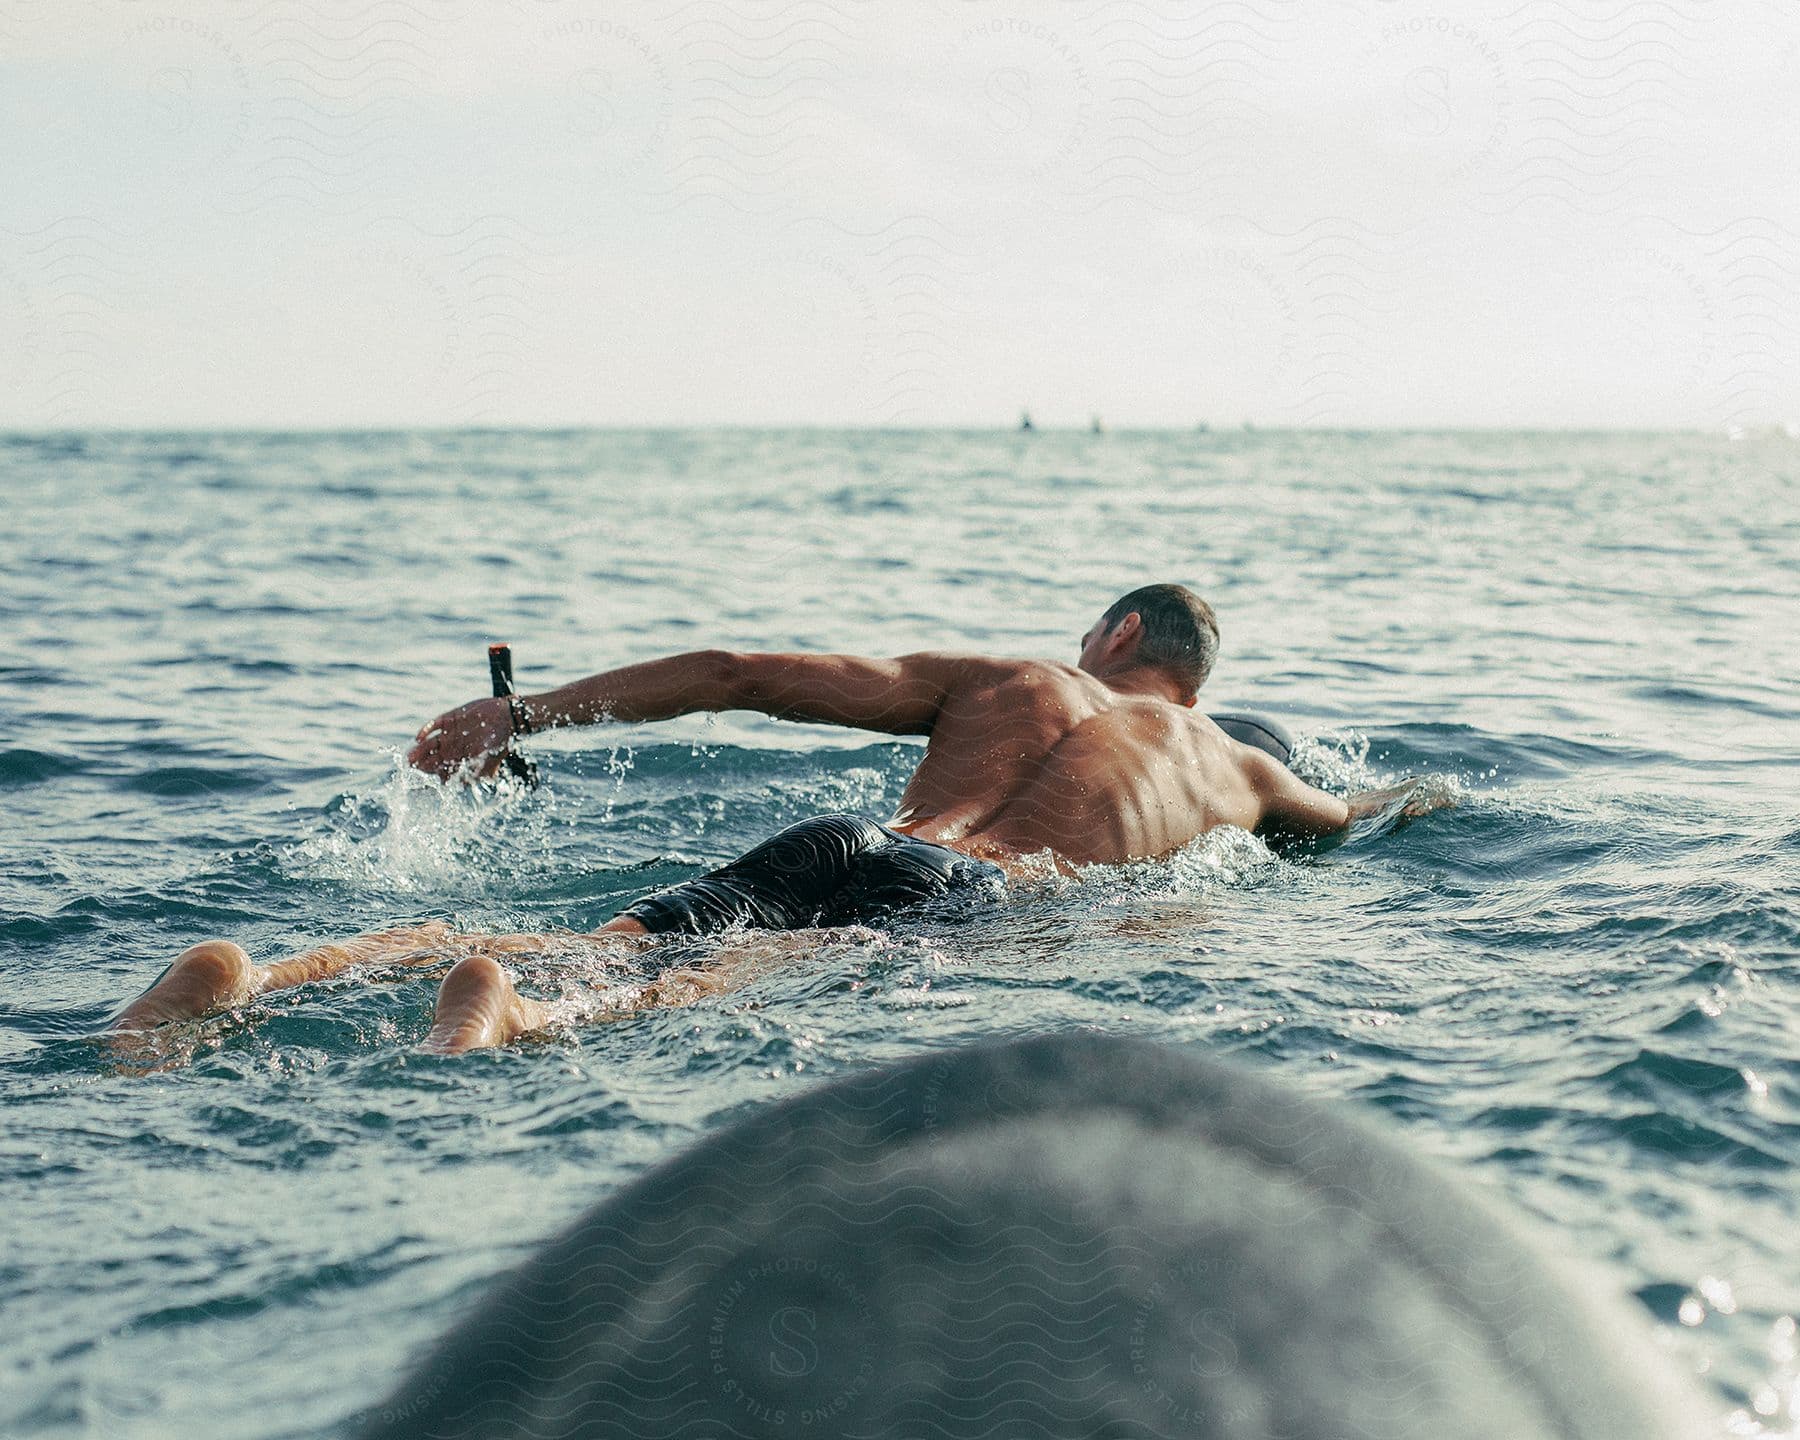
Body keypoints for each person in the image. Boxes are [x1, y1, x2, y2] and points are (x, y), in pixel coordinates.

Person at [109, 584, 1439, 1057]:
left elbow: (741, 675)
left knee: (595, 933)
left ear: (1118, 633)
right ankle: (517, 1017)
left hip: (844, 839)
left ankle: (262, 976)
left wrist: (524, 718)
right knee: (703, 987)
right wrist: (1416, 797)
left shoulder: (1006, 681)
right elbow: (1351, 818)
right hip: (969, 905)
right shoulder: (1234, 771)